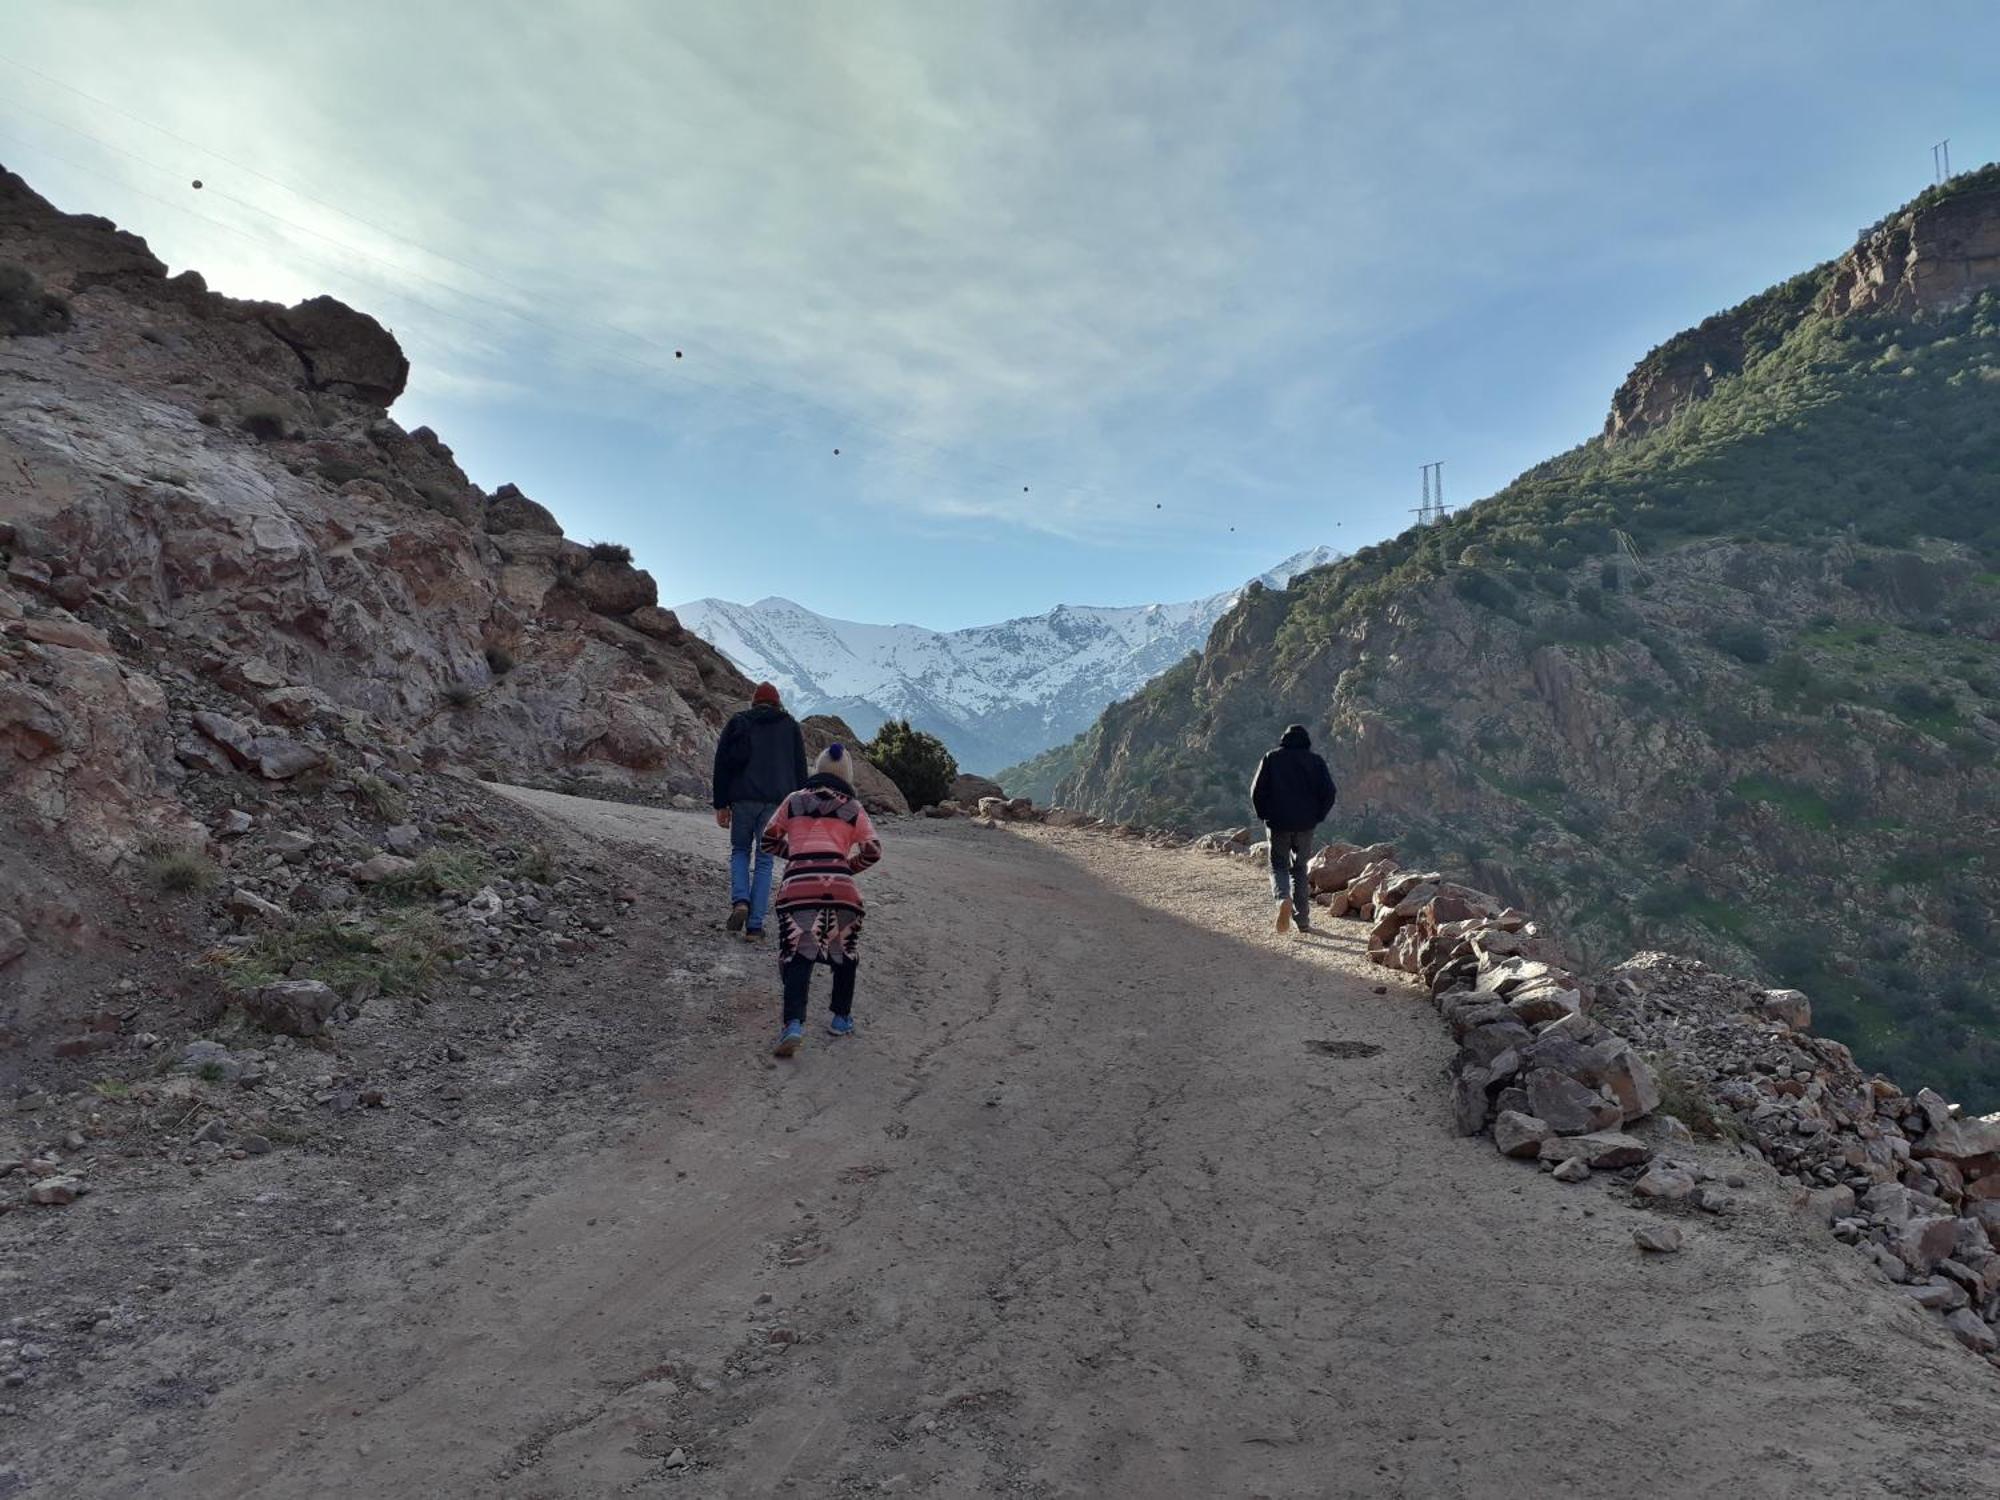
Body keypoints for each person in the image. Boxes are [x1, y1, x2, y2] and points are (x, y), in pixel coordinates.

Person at [760, 742, 882, 1056]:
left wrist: (798, 856)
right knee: (844, 953)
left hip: (799, 888)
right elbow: (873, 851)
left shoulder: (794, 800)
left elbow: (768, 840)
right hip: (842, 889)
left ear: (817, 769)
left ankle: (793, 1025)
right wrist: (845, 867)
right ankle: (841, 1018)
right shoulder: (853, 808)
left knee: (799, 954)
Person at [711, 682, 809, 940]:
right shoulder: (789, 726)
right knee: (765, 861)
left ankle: (740, 901)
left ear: (754, 702)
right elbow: (800, 769)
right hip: (776, 804)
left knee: (740, 851)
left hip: (742, 800)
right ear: (777, 703)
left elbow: (721, 765)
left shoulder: (739, 722)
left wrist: (721, 803)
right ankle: (755, 926)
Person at [1249, 723, 1338, 936]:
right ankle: (1303, 921)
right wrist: (1318, 816)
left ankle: (1282, 898)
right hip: (1305, 824)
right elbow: (1329, 792)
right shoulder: (1315, 762)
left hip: (1278, 822)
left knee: (1278, 866)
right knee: (1299, 870)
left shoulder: (1271, 758)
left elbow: (1256, 791)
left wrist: (1264, 814)